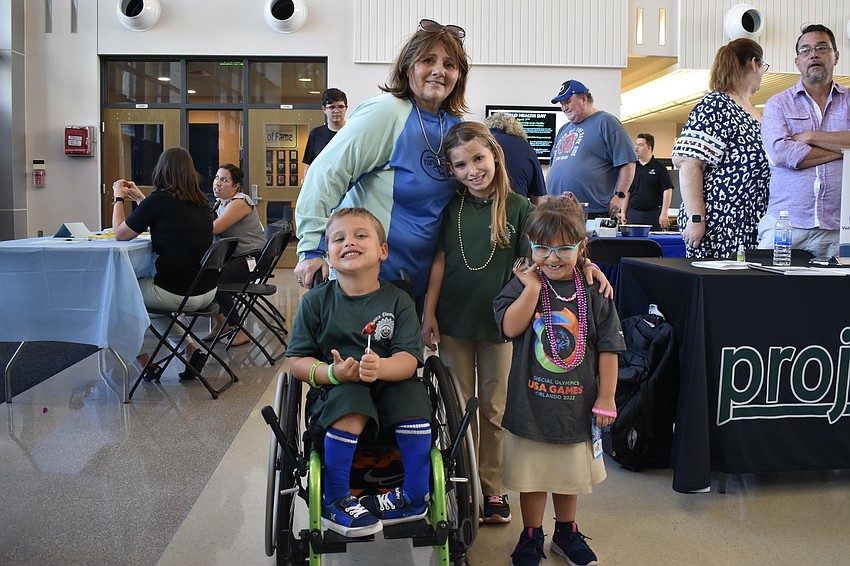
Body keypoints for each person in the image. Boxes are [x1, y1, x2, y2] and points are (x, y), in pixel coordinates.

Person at [293, 19, 470, 298]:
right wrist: (312, 248)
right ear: (408, 65)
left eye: (450, 65)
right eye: (428, 60)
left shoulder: (454, 126)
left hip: (422, 283)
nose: (439, 71)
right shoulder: (387, 112)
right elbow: (324, 174)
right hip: (371, 281)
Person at [493, 195, 625, 566]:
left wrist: (609, 397)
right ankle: (532, 534)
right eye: (541, 249)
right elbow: (509, 326)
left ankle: (566, 532)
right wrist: (533, 289)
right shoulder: (523, 285)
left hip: (576, 407)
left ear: (582, 247)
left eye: (564, 249)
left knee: (568, 476)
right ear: (530, 247)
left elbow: (609, 348)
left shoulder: (594, 292)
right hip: (531, 404)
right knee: (533, 476)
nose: (552, 258)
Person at [285, 207, 431, 537]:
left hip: (391, 382)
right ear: (330, 258)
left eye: (360, 235)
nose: (349, 241)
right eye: (338, 239)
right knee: (351, 395)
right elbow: (297, 363)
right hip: (338, 390)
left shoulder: (398, 300)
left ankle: (413, 495)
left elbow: (408, 359)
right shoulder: (316, 303)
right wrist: (332, 373)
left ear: (383, 251)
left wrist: (381, 367)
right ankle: (336, 498)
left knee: (413, 396)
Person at [421, 122, 536, 524]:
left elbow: (540, 258)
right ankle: (462, 480)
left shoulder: (521, 208)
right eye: (460, 165)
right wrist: (429, 311)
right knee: (459, 407)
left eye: (478, 159)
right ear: (451, 171)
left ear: (494, 155)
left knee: (494, 408)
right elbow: (438, 262)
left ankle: (492, 487)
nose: (472, 170)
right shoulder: (450, 210)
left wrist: (588, 267)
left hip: (500, 326)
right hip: (453, 319)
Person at [112, 147, 215, 380]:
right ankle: (191, 349)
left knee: (116, 295)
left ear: (161, 170)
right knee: (150, 308)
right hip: (206, 291)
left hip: (177, 293)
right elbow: (165, 220)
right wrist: (140, 198)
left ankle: (144, 363)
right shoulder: (201, 203)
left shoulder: (160, 200)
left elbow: (120, 233)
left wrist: (118, 198)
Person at [672, 38, 770, 259]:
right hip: (722, 226)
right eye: (764, 66)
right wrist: (696, 219)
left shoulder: (752, 110)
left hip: (751, 224)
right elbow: (689, 163)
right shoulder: (716, 104)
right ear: (755, 63)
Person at [758, 24, 850, 259]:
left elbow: (793, 152)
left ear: (835, 56)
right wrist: (843, 150)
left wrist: (809, 137)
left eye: (822, 48)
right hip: (785, 226)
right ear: (797, 61)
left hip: (840, 228)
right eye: (805, 50)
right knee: (770, 294)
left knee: (838, 296)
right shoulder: (778, 103)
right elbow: (780, 153)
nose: (814, 54)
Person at [547, 79, 636, 219]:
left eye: (568, 102)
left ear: (584, 99)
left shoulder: (606, 122)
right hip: (556, 211)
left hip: (591, 212)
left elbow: (628, 162)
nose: (564, 108)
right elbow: (553, 165)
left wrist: (620, 195)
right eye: (562, 104)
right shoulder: (564, 129)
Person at [203, 163, 266, 347]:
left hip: (253, 259)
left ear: (236, 186)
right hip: (239, 257)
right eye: (216, 178)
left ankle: (237, 328)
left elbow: (215, 228)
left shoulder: (240, 201)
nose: (217, 183)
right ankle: (221, 323)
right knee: (204, 276)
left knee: (215, 282)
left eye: (224, 180)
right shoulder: (221, 204)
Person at [485, 112, 546, 204]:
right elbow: (537, 197)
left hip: (485, 207)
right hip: (518, 210)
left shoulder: (481, 144)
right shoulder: (526, 147)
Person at [623, 133, 674, 230]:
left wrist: (664, 212)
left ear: (649, 148)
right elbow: (627, 191)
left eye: (640, 145)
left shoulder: (660, 168)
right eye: (636, 144)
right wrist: (623, 212)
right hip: (634, 213)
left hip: (653, 214)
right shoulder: (632, 167)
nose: (636, 148)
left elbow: (667, 190)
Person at [302, 88, 348, 177]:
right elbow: (309, 165)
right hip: (323, 188)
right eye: (331, 107)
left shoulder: (353, 132)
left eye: (341, 106)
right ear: (324, 109)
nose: (336, 111)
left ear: (346, 108)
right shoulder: (315, 134)